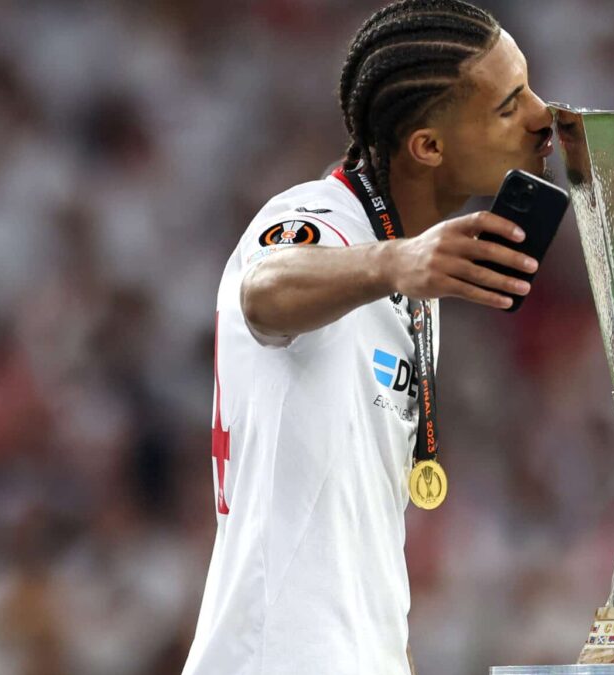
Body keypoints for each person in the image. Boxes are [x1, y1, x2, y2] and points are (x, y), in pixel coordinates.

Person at [182, 1, 554, 673]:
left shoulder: (409, 265)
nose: (542, 115)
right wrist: (394, 262)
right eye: (508, 105)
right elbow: (262, 292)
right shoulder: (319, 217)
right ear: (429, 147)